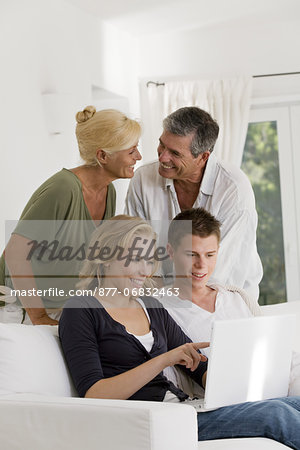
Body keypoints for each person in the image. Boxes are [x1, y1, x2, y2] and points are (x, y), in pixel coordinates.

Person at [59, 215, 300, 448]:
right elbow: (94, 395)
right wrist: (163, 359)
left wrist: (241, 384)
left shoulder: (150, 306)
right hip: (146, 420)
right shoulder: (80, 310)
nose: (144, 271)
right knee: (277, 414)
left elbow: (197, 366)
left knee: (293, 403)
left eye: (148, 260)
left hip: (182, 410)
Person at [0, 106, 142, 325]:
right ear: (103, 155)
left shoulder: (108, 191)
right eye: (131, 151)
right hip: (20, 309)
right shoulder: (63, 189)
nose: (138, 157)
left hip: (60, 305)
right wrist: (39, 318)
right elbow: (15, 254)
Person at [125, 106, 262, 301]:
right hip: (161, 301)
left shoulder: (234, 190)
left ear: (203, 157)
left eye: (175, 153)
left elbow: (214, 274)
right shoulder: (143, 179)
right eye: (162, 145)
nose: (163, 157)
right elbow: (136, 254)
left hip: (223, 302)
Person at [159, 207, 300, 397]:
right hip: (224, 406)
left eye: (210, 255)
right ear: (171, 251)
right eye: (192, 255)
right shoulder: (159, 310)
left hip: (271, 394)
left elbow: (282, 357)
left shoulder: (236, 297)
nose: (202, 265)